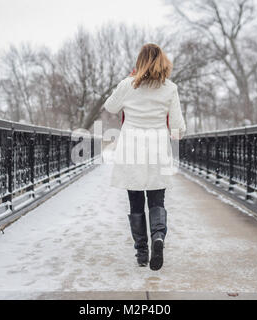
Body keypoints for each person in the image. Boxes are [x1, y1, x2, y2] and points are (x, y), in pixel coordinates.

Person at [103, 43, 186, 271]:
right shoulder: (170, 88)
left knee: (136, 200)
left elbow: (110, 107)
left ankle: (141, 251)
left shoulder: (128, 85)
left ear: (139, 62)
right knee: (157, 200)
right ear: (163, 61)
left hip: (132, 147)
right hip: (157, 147)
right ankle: (158, 237)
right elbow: (178, 126)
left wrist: (129, 80)